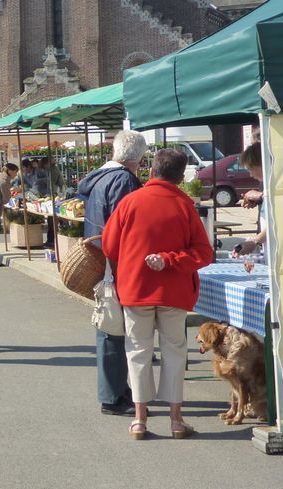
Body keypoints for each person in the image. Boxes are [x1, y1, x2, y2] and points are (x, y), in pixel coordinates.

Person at [102, 148, 213, 439]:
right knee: (174, 353)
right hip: (174, 290)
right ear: (180, 175)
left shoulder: (129, 202)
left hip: (135, 288)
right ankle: (176, 420)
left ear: (151, 170)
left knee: (137, 352)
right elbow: (203, 253)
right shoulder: (184, 205)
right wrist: (171, 259)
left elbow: (109, 247)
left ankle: (140, 419)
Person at [76, 129, 147, 416]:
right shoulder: (123, 179)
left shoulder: (102, 176)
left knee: (109, 326)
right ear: (139, 157)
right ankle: (112, 395)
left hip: (102, 258)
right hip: (115, 261)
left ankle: (117, 390)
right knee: (112, 328)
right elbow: (125, 224)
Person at [232, 142, 266, 258]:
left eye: (251, 169)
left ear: (263, 164)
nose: (250, 174)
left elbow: (277, 224)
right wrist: (261, 198)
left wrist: (254, 241)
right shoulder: (267, 185)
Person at [0, 163, 19, 266]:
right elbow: (6, 200)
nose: (16, 174)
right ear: (10, 171)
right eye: (15, 172)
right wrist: (12, 192)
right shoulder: (4, 181)